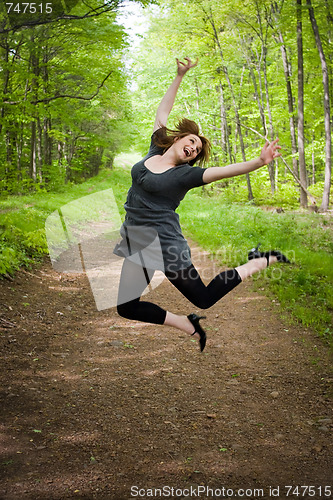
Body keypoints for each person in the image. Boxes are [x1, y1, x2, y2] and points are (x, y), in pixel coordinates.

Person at [114, 57, 289, 352]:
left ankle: (260, 260)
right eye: (192, 141)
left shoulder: (186, 175)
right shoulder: (154, 149)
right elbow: (162, 111)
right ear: (179, 138)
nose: (194, 148)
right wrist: (179, 75)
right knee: (126, 307)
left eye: (196, 151)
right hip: (137, 240)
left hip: (164, 244)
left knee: (204, 297)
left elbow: (226, 170)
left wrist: (260, 161)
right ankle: (187, 324)